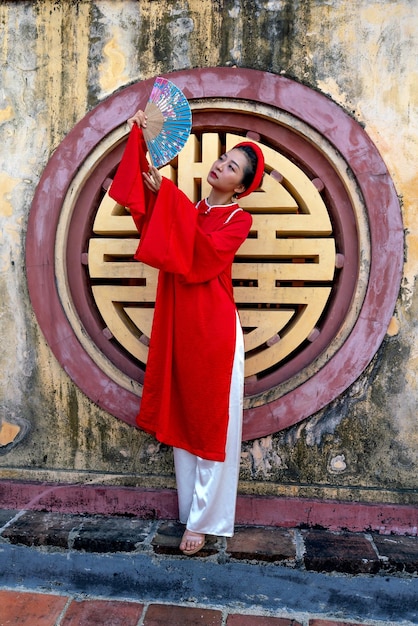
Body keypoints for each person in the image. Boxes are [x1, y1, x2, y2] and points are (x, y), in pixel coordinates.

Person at [109, 109, 265, 556]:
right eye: (223, 159)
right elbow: (156, 225)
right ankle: (190, 510)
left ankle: (205, 519)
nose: (220, 166)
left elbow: (201, 256)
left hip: (213, 329)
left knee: (210, 421)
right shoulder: (191, 207)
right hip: (180, 322)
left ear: (240, 186)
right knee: (184, 414)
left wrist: (168, 198)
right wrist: (139, 140)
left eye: (231, 167)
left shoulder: (238, 220)